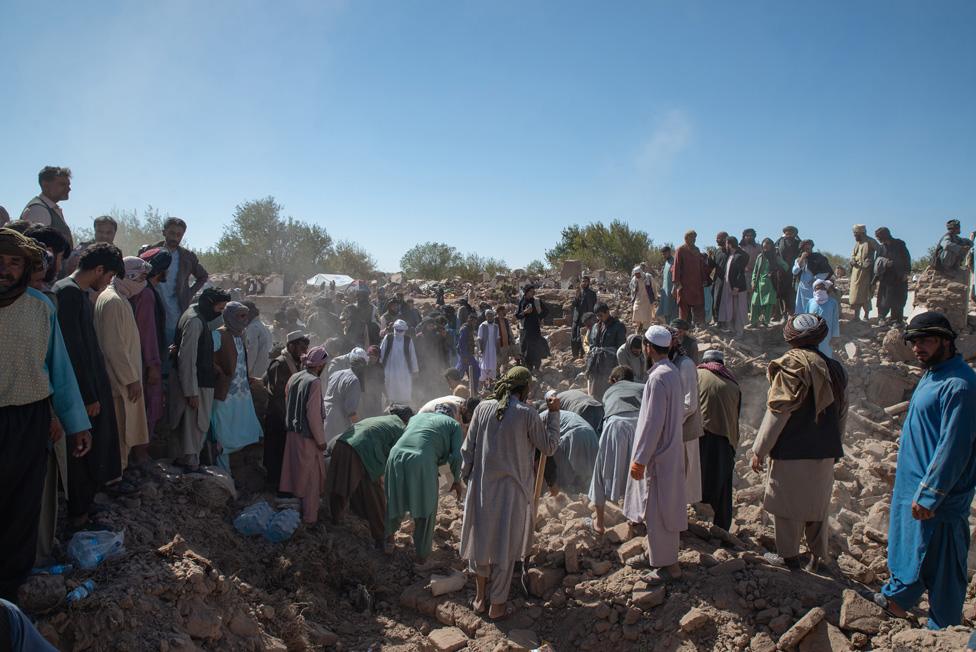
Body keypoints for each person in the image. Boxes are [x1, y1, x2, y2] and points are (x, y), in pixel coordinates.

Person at [0, 228, 92, 601]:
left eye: (13, 262)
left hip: (28, 420)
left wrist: (76, 424)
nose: (4, 269)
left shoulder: (41, 307)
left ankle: (10, 590)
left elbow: (60, 369)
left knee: (23, 504)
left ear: (26, 267)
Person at [874, 313, 976, 629]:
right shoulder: (933, 374)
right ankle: (899, 601)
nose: (917, 347)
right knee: (913, 549)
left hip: (937, 499)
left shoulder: (959, 385)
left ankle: (941, 630)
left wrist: (931, 494)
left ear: (946, 340)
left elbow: (954, 447)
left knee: (941, 563)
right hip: (914, 490)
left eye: (925, 340)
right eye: (914, 341)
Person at [459, 367, 560, 618]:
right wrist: (555, 414)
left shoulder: (482, 408)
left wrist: (466, 477)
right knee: (504, 547)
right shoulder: (528, 414)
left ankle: (480, 599)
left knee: (482, 542)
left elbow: (467, 449)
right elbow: (548, 447)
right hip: (512, 493)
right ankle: (498, 605)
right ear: (524, 388)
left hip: (482, 488)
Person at [750, 314, 847, 572]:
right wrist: (836, 444)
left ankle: (788, 557)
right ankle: (819, 558)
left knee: (785, 505)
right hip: (825, 447)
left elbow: (778, 411)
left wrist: (759, 449)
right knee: (817, 505)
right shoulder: (834, 368)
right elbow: (841, 412)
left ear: (790, 336)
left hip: (792, 449)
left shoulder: (791, 366)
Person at [53, 243, 124, 529]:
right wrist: (87, 396)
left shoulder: (76, 293)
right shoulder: (68, 293)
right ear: (98, 270)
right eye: (108, 276)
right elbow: (73, 349)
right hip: (81, 393)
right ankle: (78, 516)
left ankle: (86, 505)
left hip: (90, 387)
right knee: (81, 453)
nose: (107, 283)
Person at [623, 325, 687, 584]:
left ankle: (666, 566)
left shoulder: (658, 378)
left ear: (649, 348)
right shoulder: (671, 372)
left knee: (657, 510)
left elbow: (652, 423)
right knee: (665, 508)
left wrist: (640, 458)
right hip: (670, 450)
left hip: (658, 455)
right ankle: (658, 556)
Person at [94, 256, 152, 471]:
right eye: (141, 277)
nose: (143, 282)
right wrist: (131, 379)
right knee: (120, 431)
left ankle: (119, 471)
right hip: (119, 382)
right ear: (130, 275)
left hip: (122, 379)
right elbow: (113, 347)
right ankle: (115, 476)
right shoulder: (113, 301)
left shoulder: (119, 298)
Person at [385, 409, 464, 563]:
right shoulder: (454, 425)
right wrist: (455, 481)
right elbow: (456, 456)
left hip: (395, 456)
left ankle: (387, 541)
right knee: (426, 508)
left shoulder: (417, 417)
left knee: (394, 500)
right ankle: (421, 555)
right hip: (421, 460)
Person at [327, 412, 412, 550]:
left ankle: (335, 521)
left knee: (341, 487)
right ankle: (383, 538)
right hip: (361, 451)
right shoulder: (402, 429)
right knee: (376, 495)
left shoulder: (385, 420)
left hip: (342, 443)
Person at [169, 287, 230, 471]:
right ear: (209, 304)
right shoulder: (195, 321)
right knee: (194, 424)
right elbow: (187, 358)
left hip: (200, 381)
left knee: (195, 424)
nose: (219, 313)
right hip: (196, 384)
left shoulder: (196, 316)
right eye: (219, 308)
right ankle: (190, 463)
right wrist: (191, 391)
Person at [589, 368, 643, 534]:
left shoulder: (609, 391)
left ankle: (599, 523)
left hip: (616, 425)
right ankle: (636, 518)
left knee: (600, 472)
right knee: (640, 472)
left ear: (613, 380)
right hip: (641, 424)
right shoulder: (643, 387)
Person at [211, 302, 263, 473]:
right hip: (226, 392)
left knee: (238, 430)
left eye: (245, 316)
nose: (245, 320)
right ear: (230, 316)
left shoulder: (239, 335)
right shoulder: (219, 335)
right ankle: (221, 472)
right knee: (223, 432)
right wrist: (221, 374)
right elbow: (206, 358)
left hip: (241, 392)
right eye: (241, 316)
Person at [279, 346, 329, 524]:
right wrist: (321, 440)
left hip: (292, 434)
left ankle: (295, 514)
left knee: (295, 474)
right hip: (307, 437)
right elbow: (313, 414)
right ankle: (310, 518)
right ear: (320, 365)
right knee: (311, 479)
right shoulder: (314, 382)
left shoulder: (294, 377)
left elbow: (287, 401)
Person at [696, 350, 741, 532]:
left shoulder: (697, 375)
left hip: (701, 435)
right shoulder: (733, 384)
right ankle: (722, 528)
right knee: (723, 486)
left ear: (705, 362)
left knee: (687, 477)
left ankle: (677, 523)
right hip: (726, 440)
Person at [153, 218, 209, 356]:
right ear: (164, 232)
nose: (175, 237)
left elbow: (202, 276)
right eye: (171, 233)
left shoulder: (187, 257)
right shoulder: (151, 252)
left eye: (179, 234)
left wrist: (189, 293)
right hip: (152, 308)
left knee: (171, 352)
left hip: (174, 313)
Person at [263, 331, 309, 492]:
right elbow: (278, 394)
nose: (304, 351)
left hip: (289, 415)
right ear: (291, 346)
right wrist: (287, 418)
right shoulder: (280, 364)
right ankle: (274, 484)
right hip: (278, 415)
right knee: (276, 450)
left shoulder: (296, 363)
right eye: (301, 347)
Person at [134, 248, 172, 435]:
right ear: (161, 270)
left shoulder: (145, 291)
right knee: (149, 407)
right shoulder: (146, 294)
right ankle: (140, 456)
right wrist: (153, 365)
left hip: (144, 362)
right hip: (146, 364)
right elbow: (147, 332)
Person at [670, 328, 704, 505]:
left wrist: (670, 421)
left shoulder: (686, 365)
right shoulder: (671, 364)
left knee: (684, 474)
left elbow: (689, 404)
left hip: (684, 429)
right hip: (674, 429)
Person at [20, 166, 74, 251]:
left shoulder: (50, 208)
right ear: (45, 185)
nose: (69, 189)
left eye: (69, 185)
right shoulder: (39, 210)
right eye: (62, 184)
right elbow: (37, 250)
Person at [587, 303, 627, 401]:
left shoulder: (618, 326)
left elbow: (621, 347)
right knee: (595, 391)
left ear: (607, 312)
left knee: (609, 389)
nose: (599, 318)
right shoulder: (596, 327)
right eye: (597, 316)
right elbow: (592, 344)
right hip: (596, 364)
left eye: (601, 315)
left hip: (610, 364)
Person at [322, 356, 364, 445]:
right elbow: (350, 410)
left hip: (325, 411)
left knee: (325, 442)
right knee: (336, 445)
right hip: (338, 417)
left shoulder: (336, 373)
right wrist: (360, 426)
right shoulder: (354, 380)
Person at [874, 227, 912, 324]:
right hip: (886, 278)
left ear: (885, 235)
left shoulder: (899, 244)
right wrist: (885, 263)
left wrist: (906, 273)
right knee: (883, 300)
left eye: (879, 237)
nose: (878, 239)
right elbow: (877, 261)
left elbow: (907, 258)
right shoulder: (881, 248)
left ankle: (897, 320)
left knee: (898, 300)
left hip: (898, 277)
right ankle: (881, 318)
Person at [751, 238, 789, 327]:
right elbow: (755, 271)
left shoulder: (776, 257)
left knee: (768, 304)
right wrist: (753, 281)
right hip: (759, 283)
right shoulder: (760, 257)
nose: (765, 248)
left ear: (771, 247)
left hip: (771, 284)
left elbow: (786, 267)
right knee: (754, 303)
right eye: (764, 247)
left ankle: (765, 322)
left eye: (767, 247)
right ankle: (753, 322)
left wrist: (775, 271)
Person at [380, 319, 419, 406]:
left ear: (404, 331)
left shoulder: (408, 340)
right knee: (389, 389)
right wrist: (380, 366)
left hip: (404, 370)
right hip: (390, 368)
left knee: (403, 390)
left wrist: (415, 370)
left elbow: (412, 355)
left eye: (401, 330)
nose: (398, 332)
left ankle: (403, 406)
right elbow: (382, 352)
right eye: (397, 330)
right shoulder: (388, 338)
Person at [672, 230, 706, 325]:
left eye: (695, 238)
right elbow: (676, 267)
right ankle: (682, 326)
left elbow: (701, 265)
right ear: (686, 238)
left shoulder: (697, 250)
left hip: (696, 283)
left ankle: (700, 325)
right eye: (692, 238)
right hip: (685, 284)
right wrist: (676, 284)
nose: (694, 240)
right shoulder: (680, 250)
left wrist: (703, 279)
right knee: (684, 306)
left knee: (698, 304)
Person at [717, 236, 749, 335]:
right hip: (728, 287)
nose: (725, 246)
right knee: (729, 308)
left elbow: (740, 273)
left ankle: (739, 332)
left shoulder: (739, 256)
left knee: (738, 310)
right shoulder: (730, 255)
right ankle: (732, 329)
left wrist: (736, 287)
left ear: (729, 244)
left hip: (736, 288)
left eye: (726, 243)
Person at [792, 239, 833, 316]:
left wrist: (815, 279)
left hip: (814, 287)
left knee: (814, 308)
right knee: (801, 309)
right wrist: (802, 259)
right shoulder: (799, 259)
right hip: (802, 288)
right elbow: (795, 271)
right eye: (806, 249)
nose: (808, 250)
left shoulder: (818, 257)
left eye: (809, 248)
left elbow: (826, 271)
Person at [516, 285, 550, 371]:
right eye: (531, 291)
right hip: (525, 329)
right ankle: (528, 368)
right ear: (526, 292)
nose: (532, 293)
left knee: (536, 347)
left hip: (535, 328)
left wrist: (539, 317)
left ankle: (537, 367)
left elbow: (546, 311)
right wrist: (525, 312)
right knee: (526, 349)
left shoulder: (537, 301)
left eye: (533, 291)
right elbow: (517, 316)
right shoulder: (522, 302)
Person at [806, 279, 840, 359]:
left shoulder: (833, 303)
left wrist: (835, 336)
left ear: (826, 290)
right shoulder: (810, 302)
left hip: (827, 336)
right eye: (817, 288)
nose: (820, 290)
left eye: (822, 288)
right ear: (814, 290)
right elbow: (806, 319)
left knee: (826, 357)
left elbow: (835, 320)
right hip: (812, 336)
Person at [849, 225, 876, 321]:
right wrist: (852, 260)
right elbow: (853, 254)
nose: (854, 236)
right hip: (856, 272)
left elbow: (880, 251)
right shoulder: (857, 243)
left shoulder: (870, 241)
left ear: (862, 233)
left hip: (866, 273)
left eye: (856, 234)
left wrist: (871, 262)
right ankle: (856, 316)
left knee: (865, 294)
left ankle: (866, 315)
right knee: (855, 295)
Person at [776, 226, 802, 316]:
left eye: (791, 233)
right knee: (781, 293)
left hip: (795, 273)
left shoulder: (799, 243)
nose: (788, 234)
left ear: (794, 234)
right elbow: (776, 255)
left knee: (793, 293)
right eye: (787, 233)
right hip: (782, 273)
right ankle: (783, 313)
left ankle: (793, 312)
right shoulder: (779, 242)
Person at [571, 276, 598, 358]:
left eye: (586, 281)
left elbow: (594, 306)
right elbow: (573, 304)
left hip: (586, 320)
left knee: (583, 338)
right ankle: (575, 355)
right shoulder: (578, 292)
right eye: (583, 281)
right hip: (577, 319)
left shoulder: (592, 294)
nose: (584, 283)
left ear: (588, 282)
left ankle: (582, 355)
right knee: (574, 337)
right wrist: (577, 296)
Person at [360, 345, 387, 418]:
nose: (372, 359)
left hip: (377, 396)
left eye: (375, 357)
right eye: (370, 357)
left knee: (377, 415)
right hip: (366, 397)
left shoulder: (380, 367)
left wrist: (387, 396)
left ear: (378, 357)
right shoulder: (364, 366)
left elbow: (382, 383)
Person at [456, 313, 481, 390]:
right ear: (469, 320)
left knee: (475, 371)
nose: (474, 322)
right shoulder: (465, 329)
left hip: (469, 355)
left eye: (475, 321)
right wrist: (464, 356)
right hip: (466, 356)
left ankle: (473, 390)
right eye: (472, 320)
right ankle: (453, 388)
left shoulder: (470, 328)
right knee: (459, 374)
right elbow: (461, 343)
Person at [710, 232, 730, 325]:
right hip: (717, 279)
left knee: (724, 301)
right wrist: (709, 258)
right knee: (715, 301)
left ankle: (724, 322)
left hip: (727, 280)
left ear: (725, 239)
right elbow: (711, 265)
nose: (717, 240)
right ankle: (717, 320)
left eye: (719, 238)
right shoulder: (717, 251)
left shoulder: (730, 251)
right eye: (717, 238)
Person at [477, 309, 500, 388]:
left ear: (493, 316)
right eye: (488, 316)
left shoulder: (496, 326)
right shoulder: (482, 325)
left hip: (493, 350)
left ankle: (490, 384)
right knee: (484, 366)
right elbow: (479, 338)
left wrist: (498, 349)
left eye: (491, 316)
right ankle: (483, 385)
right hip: (485, 349)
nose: (490, 317)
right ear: (486, 316)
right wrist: (480, 349)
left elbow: (497, 339)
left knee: (492, 366)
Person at [656, 246, 678, 325]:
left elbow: (677, 277)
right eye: (662, 254)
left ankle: (673, 327)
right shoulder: (666, 263)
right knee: (665, 310)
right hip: (665, 291)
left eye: (665, 253)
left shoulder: (674, 262)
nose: (664, 256)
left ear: (669, 252)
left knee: (672, 310)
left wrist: (674, 288)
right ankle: (668, 326)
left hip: (672, 291)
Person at [630, 266, 656, 332]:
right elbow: (632, 289)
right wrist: (632, 298)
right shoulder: (634, 279)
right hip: (638, 299)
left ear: (640, 272)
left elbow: (654, 287)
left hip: (647, 299)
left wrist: (654, 297)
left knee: (647, 316)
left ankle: (646, 329)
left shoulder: (648, 277)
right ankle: (639, 327)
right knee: (636, 312)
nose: (637, 275)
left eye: (638, 273)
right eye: (635, 274)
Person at [740, 229, 761, 294]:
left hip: (756, 274)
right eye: (747, 235)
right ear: (744, 236)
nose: (749, 237)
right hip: (743, 275)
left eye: (751, 235)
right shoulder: (740, 248)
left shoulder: (759, 247)